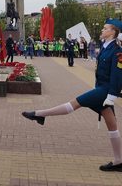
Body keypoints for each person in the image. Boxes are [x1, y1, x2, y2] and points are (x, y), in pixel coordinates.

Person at [22, 19, 122, 172]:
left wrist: (112, 95)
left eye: (105, 28)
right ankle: (119, 161)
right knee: (112, 125)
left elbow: (117, 74)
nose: (102, 30)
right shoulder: (105, 46)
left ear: (113, 32)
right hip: (101, 88)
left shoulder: (117, 50)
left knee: (75, 103)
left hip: (104, 91)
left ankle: (40, 114)